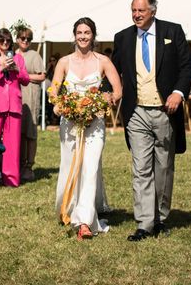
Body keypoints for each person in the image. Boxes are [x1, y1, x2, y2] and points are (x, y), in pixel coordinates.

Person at [112, 0, 191, 241]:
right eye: (133, 10)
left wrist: (178, 93)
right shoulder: (123, 37)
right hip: (136, 112)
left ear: (153, 11)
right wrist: (107, 93)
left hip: (164, 111)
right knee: (141, 168)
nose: (136, 15)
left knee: (164, 167)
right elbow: (115, 71)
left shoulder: (173, 32)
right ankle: (144, 223)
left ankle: (160, 217)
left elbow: (187, 66)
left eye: (141, 11)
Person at [51, 18, 122, 240]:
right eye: (79, 32)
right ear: (74, 35)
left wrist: (106, 98)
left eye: (87, 32)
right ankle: (69, 207)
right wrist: (60, 105)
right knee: (71, 166)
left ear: (93, 35)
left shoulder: (103, 61)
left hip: (94, 123)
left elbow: (118, 91)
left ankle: (84, 221)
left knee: (90, 169)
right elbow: (54, 91)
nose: (83, 36)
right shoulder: (64, 62)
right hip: (70, 123)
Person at [0, 28, 30, 187]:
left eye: (8, 41)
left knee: (13, 144)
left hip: (13, 104)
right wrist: (0, 68)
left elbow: (26, 80)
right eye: (2, 41)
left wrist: (17, 69)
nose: (5, 44)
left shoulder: (18, 58)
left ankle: (10, 179)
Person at [15, 26, 46, 182]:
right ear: (17, 39)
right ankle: (19, 164)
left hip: (31, 96)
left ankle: (29, 166)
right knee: (18, 133)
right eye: (22, 38)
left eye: (28, 39)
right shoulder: (13, 55)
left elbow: (42, 76)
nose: (25, 41)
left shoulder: (34, 55)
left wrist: (23, 76)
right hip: (17, 97)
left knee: (30, 132)